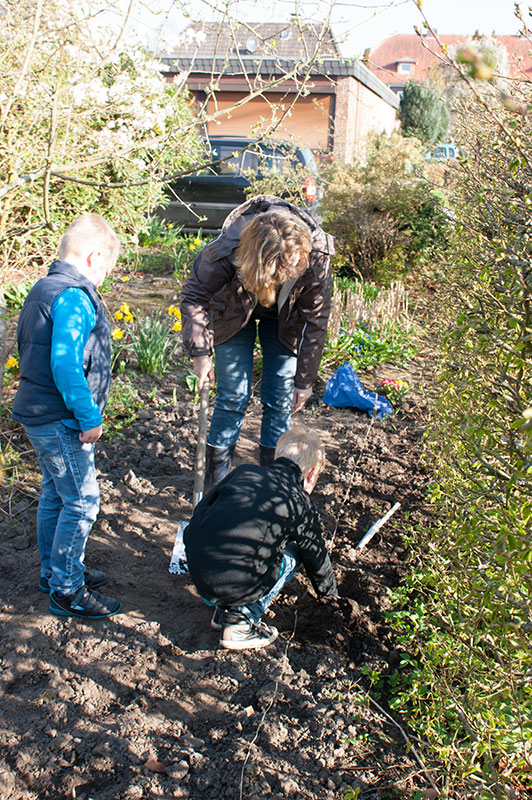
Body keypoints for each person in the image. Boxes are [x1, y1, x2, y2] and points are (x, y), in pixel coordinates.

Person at [180, 194, 335, 489]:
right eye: (280, 270)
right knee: (233, 396)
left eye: (292, 267)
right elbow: (194, 296)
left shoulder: (316, 256)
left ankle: (273, 484)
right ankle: (217, 487)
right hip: (235, 308)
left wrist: (304, 381)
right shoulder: (228, 250)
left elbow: (315, 321)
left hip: (284, 318)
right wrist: (200, 353)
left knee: (280, 398)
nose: (288, 273)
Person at [12, 213, 122, 620]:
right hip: (61, 418)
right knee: (82, 501)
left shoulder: (44, 287)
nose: (104, 279)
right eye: (106, 270)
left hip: (38, 413)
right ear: (94, 257)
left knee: (56, 494)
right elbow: (66, 365)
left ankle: (54, 570)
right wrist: (88, 415)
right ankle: (67, 589)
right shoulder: (74, 296)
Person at [184, 426, 338, 650]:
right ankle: (240, 621)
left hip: (200, 573)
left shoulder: (243, 472)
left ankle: (224, 610)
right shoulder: (299, 501)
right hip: (235, 582)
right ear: (312, 473)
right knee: (294, 553)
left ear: (278, 455)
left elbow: (201, 511)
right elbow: (315, 554)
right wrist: (331, 598)